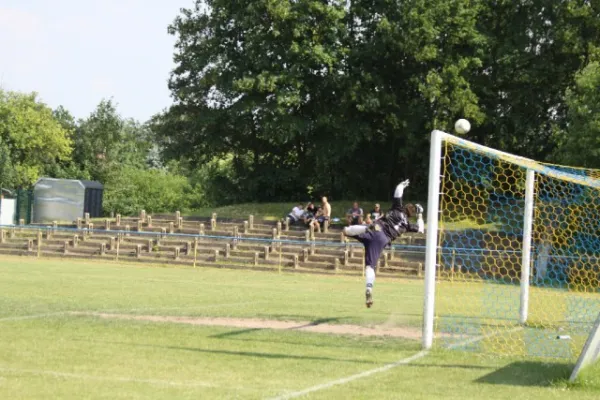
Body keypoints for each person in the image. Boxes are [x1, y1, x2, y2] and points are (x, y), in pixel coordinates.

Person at [343, 179, 424, 308]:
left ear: (404, 207)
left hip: (376, 229)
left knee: (346, 231)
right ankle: (369, 288)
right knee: (370, 267)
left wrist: (402, 184)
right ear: (411, 215)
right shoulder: (407, 225)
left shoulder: (397, 208)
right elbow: (421, 229)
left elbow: (397, 192)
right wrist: (420, 216)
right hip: (382, 240)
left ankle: (365, 228)